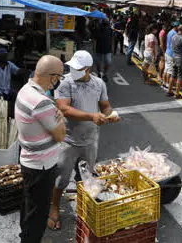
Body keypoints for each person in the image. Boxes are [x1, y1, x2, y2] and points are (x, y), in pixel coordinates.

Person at [48, 50, 120, 230]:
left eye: (77, 68)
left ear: (87, 69)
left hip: (90, 139)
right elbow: (64, 109)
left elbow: (105, 106)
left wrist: (110, 114)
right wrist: (91, 116)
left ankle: (85, 207)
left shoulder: (99, 84)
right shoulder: (65, 83)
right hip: (68, 140)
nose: (73, 70)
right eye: (72, 67)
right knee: (61, 179)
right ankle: (54, 208)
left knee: (87, 177)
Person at [15, 55, 67, 243]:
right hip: (42, 166)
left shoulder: (25, 90)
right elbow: (61, 135)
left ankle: (26, 236)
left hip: (29, 161)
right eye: (59, 77)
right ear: (52, 77)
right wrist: (59, 116)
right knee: (38, 215)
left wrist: (56, 114)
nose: (59, 81)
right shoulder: (42, 102)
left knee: (29, 206)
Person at [168, 24, 182, 98]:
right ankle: (177, 93)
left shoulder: (173, 36)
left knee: (173, 74)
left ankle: (169, 91)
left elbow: (171, 46)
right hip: (181, 59)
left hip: (174, 57)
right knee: (179, 77)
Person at [163, 21, 180, 86]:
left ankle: (164, 82)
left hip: (167, 52)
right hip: (171, 53)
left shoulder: (170, 32)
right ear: (176, 26)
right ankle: (167, 83)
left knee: (166, 69)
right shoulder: (175, 34)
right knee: (170, 70)